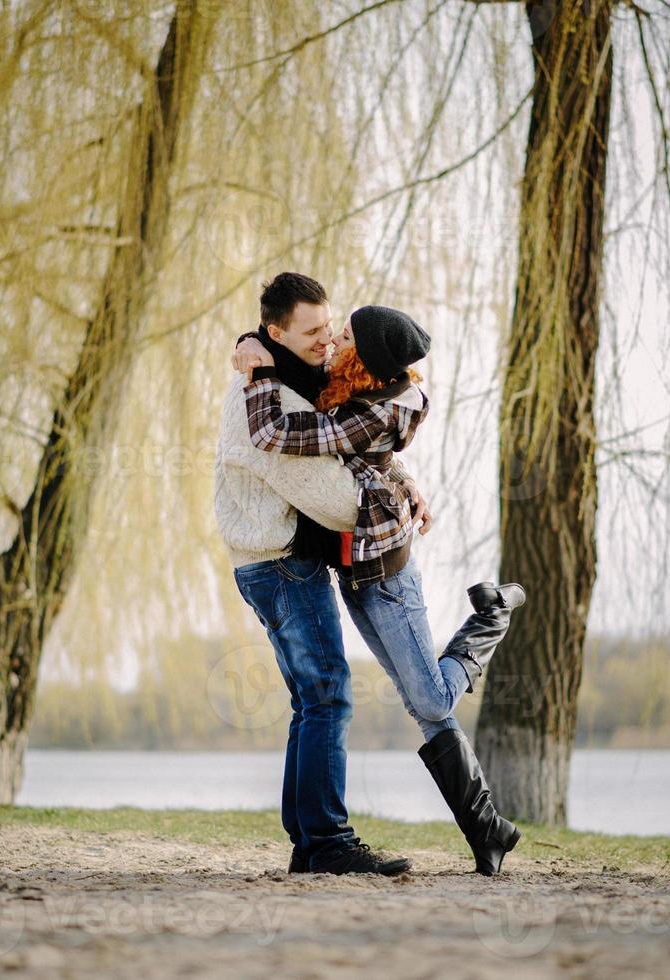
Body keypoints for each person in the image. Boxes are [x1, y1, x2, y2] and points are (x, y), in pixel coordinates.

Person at [234, 304, 527, 876]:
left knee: (433, 702)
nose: (334, 339)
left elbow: (279, 431)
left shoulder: (380, 407)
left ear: (367, 362)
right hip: (356, 572)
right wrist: (253, 339)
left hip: (388, 578)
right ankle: (489, 832)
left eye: (344, 335)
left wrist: (259, 375)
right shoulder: (349, 382)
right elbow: (372, 458)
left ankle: (491, 617)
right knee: (426, 708)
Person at [213, 273, 418, 876]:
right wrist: (390, 501)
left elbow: (348, 443)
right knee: (329, 693)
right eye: (311, 332)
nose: (327, 342)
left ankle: (309, 842)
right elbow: (336, 504)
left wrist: (401, 477)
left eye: (329, 327)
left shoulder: (282, 372)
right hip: (279, 564)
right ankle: (327, 840)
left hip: (276, 560)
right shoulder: (268, 397)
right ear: (277, 333)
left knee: (312, 699)